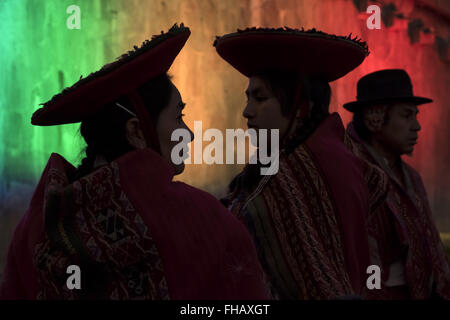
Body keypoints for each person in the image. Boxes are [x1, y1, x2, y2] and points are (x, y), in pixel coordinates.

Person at [0, 23, 267, 300]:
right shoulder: (204, 222)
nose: (188, 134)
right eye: (178, 117)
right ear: (137, 132)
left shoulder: (35, 229)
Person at [215, 27, 387, 299]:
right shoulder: (341, 158)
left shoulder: (287, 183)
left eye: (260, 98)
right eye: (248, 98)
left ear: (301, 106)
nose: (247, 111)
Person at [344, 69, 450, 299]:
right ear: (375, 117)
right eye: (406, 115)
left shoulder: (411, 178)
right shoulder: (354, 174)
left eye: (416, 115)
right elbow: (362, 260)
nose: (416, 126)